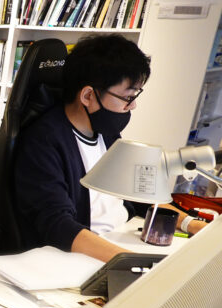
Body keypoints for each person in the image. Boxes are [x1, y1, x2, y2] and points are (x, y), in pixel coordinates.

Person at [13, 34, 206, 263]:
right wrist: (134, 263)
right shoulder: (44, 142)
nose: (133, 105)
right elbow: (58, 226)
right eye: (128, 97)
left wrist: (191, 224)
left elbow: (138, 192)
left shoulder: (106, 132)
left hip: (122, 238)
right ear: (88, 95)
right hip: (85, 255)